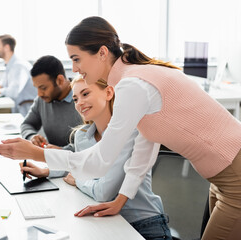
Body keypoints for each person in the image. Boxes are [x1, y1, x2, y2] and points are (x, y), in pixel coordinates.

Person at [0, 17, 241, 240]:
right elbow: (145, 146)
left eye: (76, 59)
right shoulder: (132, 79)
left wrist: (36, 154)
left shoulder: (132, 85)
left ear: (101, 53)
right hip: (221, 177)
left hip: (235, 176)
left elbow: (100, 162)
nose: (74, 68)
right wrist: (121, 199)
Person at [20, 76, 172, 239]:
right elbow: (79, 167)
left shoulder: (129, 132)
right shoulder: (82, 136)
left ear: (108, 93)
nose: (79, 103)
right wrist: (46, 171)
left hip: (144, 225)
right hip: (107, 222)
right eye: (75, 99)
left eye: (85, 94)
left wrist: (78, 181)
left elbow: (103, 192)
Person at [21, 55, 83, 150]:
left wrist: (61, 152)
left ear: (60, 80)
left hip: (77, 161)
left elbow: (92, 143)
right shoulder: (42, 99)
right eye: (37, 88)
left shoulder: (83, 99)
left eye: (43, 88)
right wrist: (31, 136)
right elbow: (27, 124)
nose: (39, 94)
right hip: (52, 159)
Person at [0, 34, 37, 116]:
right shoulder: (10, 64)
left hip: (24, 109)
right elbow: (3, 83)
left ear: (7, 47)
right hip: (15, 105)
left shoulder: (19, 66)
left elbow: (13, 92)